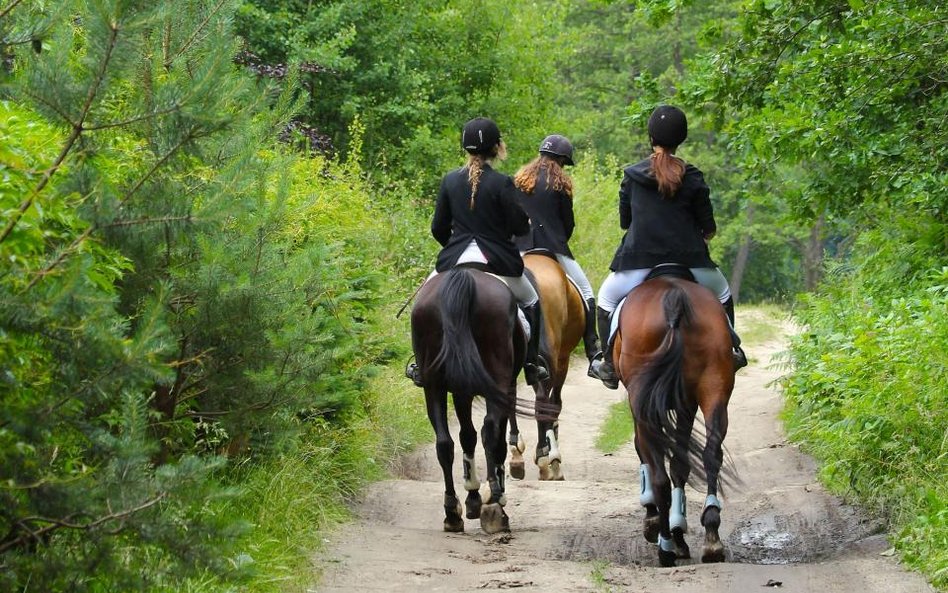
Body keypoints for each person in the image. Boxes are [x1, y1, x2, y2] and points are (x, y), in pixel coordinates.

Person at [593, 105, 747, 389]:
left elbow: (625, 222)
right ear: (681, 139)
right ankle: (731, 351)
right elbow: (708, 228)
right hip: (689, 261)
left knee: (605, 301)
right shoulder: (693, 176)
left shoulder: (631, 176)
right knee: (723, 295)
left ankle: (608, 364)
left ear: (651, 137)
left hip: (638, 261)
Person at [406, 117, 550, 387]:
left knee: (421, 306)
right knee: (531, 301)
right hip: (496, 261)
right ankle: (532, 363)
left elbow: (438, 227)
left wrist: (454, 247)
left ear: (466, 148)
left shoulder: (450, 180)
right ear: (497, 148)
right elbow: (519, 227)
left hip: (456, 258)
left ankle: (420, 364)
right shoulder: (502, 182)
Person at [512, 134, 603, 377]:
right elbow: (568, 224)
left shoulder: (519, 179)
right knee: (586, 292)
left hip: (519, 248)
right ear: (562, 159)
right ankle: (593, 352)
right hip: (552, 248)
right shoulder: (561, 183)